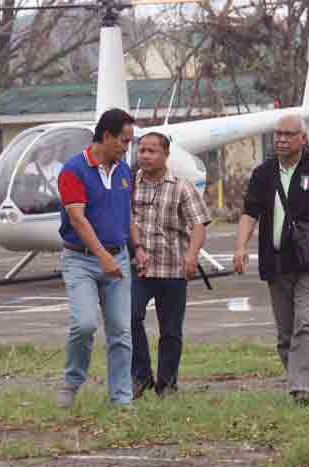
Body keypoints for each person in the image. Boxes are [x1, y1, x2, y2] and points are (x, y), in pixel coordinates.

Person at [233, 114, 309, 406]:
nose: (281, 139)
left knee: (305, 323)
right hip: (276, 262)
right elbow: (250, 213)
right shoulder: (263, 174)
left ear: (303, 138)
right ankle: (297, 380)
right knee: (286, 333)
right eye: (277, 134)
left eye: (288, 134)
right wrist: (240, 246)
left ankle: (302, 389)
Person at [56, 108, 135, 408]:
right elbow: (77, 219)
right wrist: (102, 257)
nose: (127, 147)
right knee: (85, 324)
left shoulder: (124, 171)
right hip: (82, 260)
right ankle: (72, 381)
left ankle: (121, 400)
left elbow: (128, 216)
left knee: (121, 332)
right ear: (106, 136)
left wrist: (136, 248)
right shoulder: (73, 171)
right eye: (124, 141)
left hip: (119, 258)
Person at [130, 132, 211, 399]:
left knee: (171, 330)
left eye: (151, 151)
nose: (145, 156)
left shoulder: (181, 186)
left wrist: (191, 256)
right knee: (130, 318)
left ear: (166, 155)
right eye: (141, 150)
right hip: (139, 268)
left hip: (173, 269)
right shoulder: (129, 184)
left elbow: (199, 223)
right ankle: (140, 376)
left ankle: (167, 384)